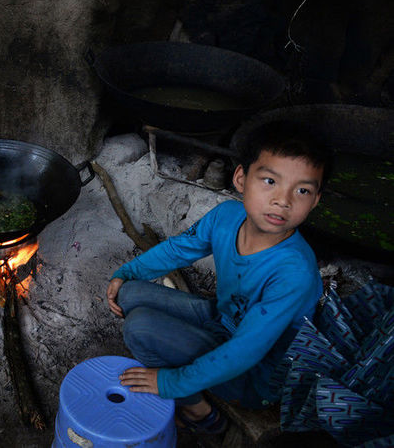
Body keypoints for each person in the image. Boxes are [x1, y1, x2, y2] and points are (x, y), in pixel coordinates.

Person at [106, 120, 331, 434]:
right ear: (241, 178)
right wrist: (126, 273)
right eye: (270, 181)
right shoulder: (227, 216)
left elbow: (245, 352)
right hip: (223, 319)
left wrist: (170, 382)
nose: (284, 199)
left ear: (315, 200)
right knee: (129, 293)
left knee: (139, 326)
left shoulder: (294, 273)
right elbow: (176, 250)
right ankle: (191, 382)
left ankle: (201, 413)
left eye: (303, 190)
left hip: (256, 374)